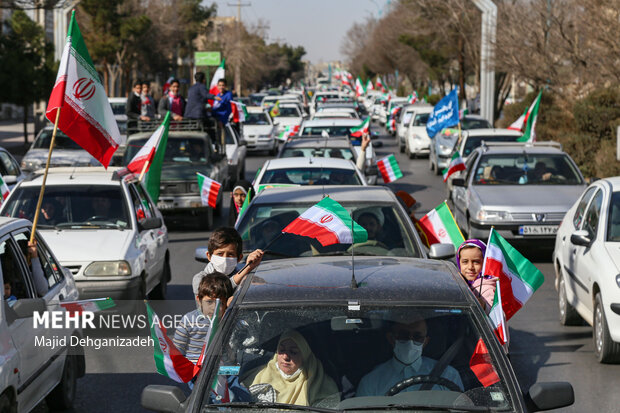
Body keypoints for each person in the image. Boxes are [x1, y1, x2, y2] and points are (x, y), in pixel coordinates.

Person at [356, 314, 463, 396]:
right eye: (404, 335)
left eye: (417, 337)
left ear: (425, 341)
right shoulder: (371, 382)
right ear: (391, 338)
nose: (410, 342)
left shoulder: (449, 375)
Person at [242, 330, 339, 406]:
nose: (285, 357)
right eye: (282, 350)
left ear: (304, 356)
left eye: (293, 352)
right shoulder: (257, 375)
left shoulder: (320, 384)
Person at [173, 273, 233, 364]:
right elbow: (177, 351)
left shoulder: (230, 320)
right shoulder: (189, 320)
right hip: (194, 371)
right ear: (199, 300)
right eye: (209, 302)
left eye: (220, 303)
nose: (214, 307)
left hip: (224, 370)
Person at [192, 227, 263, 297]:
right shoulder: (200, 279)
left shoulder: (246, 279)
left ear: (239, 258)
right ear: (209, 256)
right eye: (220, 254)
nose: (225, 259)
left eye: (230, 254)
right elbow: (216, 293)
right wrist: (246, 270)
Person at [456, 239, 497, 313]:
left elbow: (496, 316)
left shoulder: (487, 288)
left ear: (485, 263)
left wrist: (484, 306)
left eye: (476, 262)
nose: (470, 267)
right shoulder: (459, 282)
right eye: (465, 262)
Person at [212, 79, 233, 147]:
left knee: (222, 141)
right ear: (217, 86)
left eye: (223, 85)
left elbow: (228, 108)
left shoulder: (228, 94)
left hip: (223, 122)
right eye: (220, 85)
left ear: (225, 86)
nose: (221, 87)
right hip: (215, 120)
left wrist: (222, 120)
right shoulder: (217, 95)